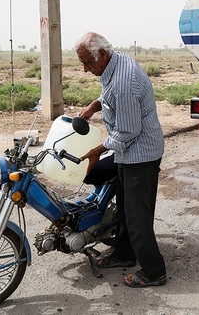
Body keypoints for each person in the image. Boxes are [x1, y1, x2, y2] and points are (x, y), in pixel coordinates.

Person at [75, 32, 167, 287]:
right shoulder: (115, 64)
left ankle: (154, 271)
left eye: (88, 63)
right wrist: (94, 106)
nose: (85, 69)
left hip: (140, 153)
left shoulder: (125, 81)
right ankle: (124, 253)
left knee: (137, 216)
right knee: (127, 208)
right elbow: (109, 95)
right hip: (128, 153)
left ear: (102, 54)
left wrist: (98, 150)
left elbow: (128, 131)